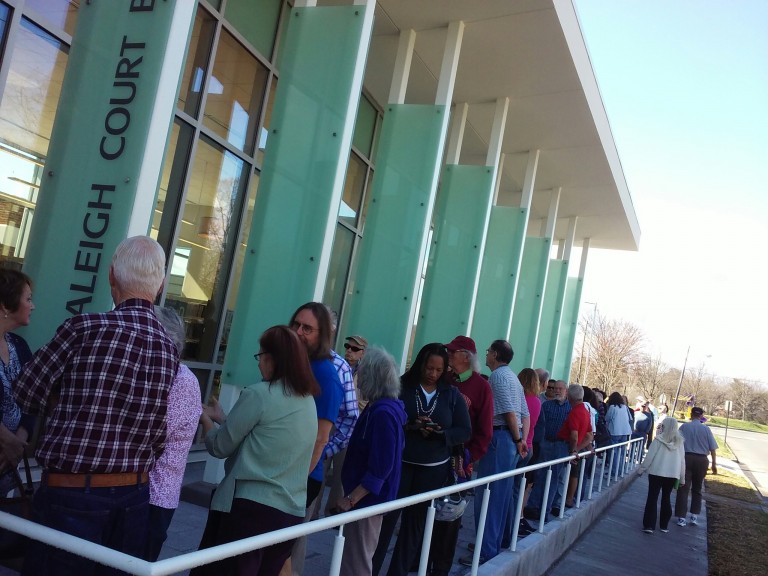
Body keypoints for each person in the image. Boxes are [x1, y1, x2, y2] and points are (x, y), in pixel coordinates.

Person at [15, 236, 179, 574]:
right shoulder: (168, 348)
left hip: (72, 495)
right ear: (160, 285)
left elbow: (26, 392)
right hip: (134, 496)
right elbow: (160, 433)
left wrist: (68, 400)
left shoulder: (84, 328)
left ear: (111, 277)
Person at [192, 326, 319, 576]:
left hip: (250, 510)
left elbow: (220, 446)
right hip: (289, 512)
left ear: (272, 358)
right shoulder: (307, 400)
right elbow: (261, 437)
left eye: (260, 356)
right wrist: (222, 419)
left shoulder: (259, 393)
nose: (259, 363)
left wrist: (205, 418)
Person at [374, 343, 470, 576]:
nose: (433, 374)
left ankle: (397, 572)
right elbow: (386, 417)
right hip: (400, 466)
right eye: (429, 368)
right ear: (420, 365)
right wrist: (410, 426)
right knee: (385, 522)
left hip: (432, 470)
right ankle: (370, 570)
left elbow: (464, 430)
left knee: (414, 528)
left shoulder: (451, 394)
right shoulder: (401, 386)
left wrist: (442, 435)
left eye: (439, 370)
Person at [336, 347, 407, 576]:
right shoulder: (381, 409)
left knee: (356, 564)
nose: (359, 381)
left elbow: (381, 466)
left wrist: (351, 499)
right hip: (367, 502)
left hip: (367, 503)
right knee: (353, 559)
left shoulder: (383, 413)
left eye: (363, 375)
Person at [284, 302, 344, 576]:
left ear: (322, 335)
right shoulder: (294, 363)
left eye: (307, 328)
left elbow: (321, 439)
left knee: (282, 551)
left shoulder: (325, 374)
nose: (298, 331)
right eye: (295, 324)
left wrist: (296, 482)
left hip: (300, 477)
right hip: (280, 472)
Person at [427, 335, 493, 576]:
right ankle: (418, 559)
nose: (448, 355)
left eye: (452, 352)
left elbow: (485, 432)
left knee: (449, 517)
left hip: (458, 461)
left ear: (466, 356)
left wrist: (468, 459)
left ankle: (440, 568)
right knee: (426, 510)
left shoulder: (481, 387)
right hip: (433, 455)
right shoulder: (444, 379)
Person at [459, 340, 528, 566]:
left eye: (488, 352)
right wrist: (522, 440)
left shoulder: (498, 377)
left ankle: (485, 551)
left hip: (501, 438)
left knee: (488, 496)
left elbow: (509, 411)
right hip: (510, 440)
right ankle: (492, 545)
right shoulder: (514, 378)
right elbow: (524, 413)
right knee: (501, 497)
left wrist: (518, 440)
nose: (486, 355)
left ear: (496, 355)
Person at [146, 307, 202, 561]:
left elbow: (154, 436)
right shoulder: (167, 375)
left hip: (155, 493)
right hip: (146, 492)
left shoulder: (182, 380)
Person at [318, 311, 359, 520]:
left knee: (339, 474)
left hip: (335, 429)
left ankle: (333, 511)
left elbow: (352, 413)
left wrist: (326, 447)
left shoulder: (343, 368)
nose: (350, 351)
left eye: (355, 349)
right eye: (348, 347)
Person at [0, 269, 35, 488]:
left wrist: (18, 443)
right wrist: (6, 439)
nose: (33, 306)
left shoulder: (20, 346)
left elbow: (33, 399)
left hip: (8, 472)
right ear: (5, 305)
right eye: (28, 299)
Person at [524, 380, 570, 522]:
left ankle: (545, 510)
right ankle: (532, 507)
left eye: (560, 389)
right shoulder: (546, 405)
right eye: (555, 388)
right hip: (545, 444)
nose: (556, 391)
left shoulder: (570, 409)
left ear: (566, 391)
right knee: (539, 476)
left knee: (553, 479)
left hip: (560, 446)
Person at [636, 416, 685, 534]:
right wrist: (682, 478)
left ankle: (649, 525)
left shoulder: (658, 440)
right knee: (666, 498)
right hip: (672, 474)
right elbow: (683, 461)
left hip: (656, 472)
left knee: (652, 497)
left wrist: (642, 469)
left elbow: (650, 456)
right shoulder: (680, 443)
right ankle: (664, 525)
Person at [675, 406, 717, 527]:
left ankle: (681, 517)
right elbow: (713, 448)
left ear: (691, 414)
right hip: (702, 460)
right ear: (701, 416)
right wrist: (714, 464)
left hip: (686, 458)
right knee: (697, 488)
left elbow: (677, 443)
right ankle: (694, 515)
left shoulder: (684, 427)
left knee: (683, 487)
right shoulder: (706, 429)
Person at [605, 392, 632, 477]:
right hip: (625, 432)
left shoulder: (613, 407)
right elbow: (629, 418)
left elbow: (607, 418)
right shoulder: (625, 407)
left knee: (614, 453)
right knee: (621, 453)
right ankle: (620, 470)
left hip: (615, 432)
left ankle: (614, 472)